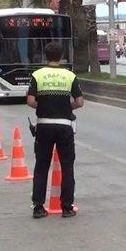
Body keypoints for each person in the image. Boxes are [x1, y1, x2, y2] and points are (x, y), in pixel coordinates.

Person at [27, 42, 84, 219]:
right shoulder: (69, 76)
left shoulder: (37, 75)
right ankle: (67, 207)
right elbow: (80, 102)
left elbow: (30, 100)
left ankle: (38, 207)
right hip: (64, 126)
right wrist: (66, 108)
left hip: (44, 125)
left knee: (41, 167)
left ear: (45, 56)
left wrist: (44, 106)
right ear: (61, 56)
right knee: (67, 167)